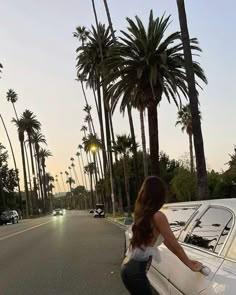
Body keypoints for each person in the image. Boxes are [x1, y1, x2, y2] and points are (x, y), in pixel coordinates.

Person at [121, 176, 203, 295]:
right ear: (160, 195)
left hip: (127, 268)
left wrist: (188, 261)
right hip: (136, 272)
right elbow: (175, 245)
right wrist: (190, 264)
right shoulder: (158, 216)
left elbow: (167, 242)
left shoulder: (142, 213)